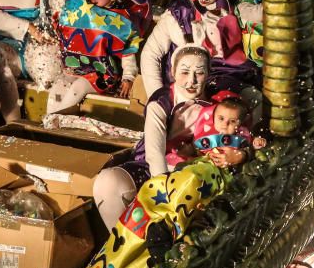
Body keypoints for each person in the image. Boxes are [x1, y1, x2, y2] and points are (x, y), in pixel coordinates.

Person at [92, 46, 249, 231]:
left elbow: (244, 134)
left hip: (202, 172)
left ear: (208, 73)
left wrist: (240, 155)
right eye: (184, 72)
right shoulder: (161, 102)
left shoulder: (220, 102)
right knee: (108, 183)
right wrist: (166, 193)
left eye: (199, 73)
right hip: (159, 168)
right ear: (173, 72)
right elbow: (154, 153)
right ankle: (126, 242)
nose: (191, 81)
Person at [139, 0, 260, 106]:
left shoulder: (232, 6)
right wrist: (158, 98)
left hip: (227, 77)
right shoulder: (177, 13)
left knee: (254, 99)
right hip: (184, 85)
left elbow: (258, 13)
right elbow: (150, 54)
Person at [45, 0, 151, 114]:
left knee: (77, 89)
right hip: (74, 68)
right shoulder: (80, 9)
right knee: (56, 90)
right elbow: (58, 7)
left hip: (102, 74)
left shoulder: (123, 23)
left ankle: (57, 125)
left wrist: (128, 77)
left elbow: (128, 54)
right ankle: (49, 126)